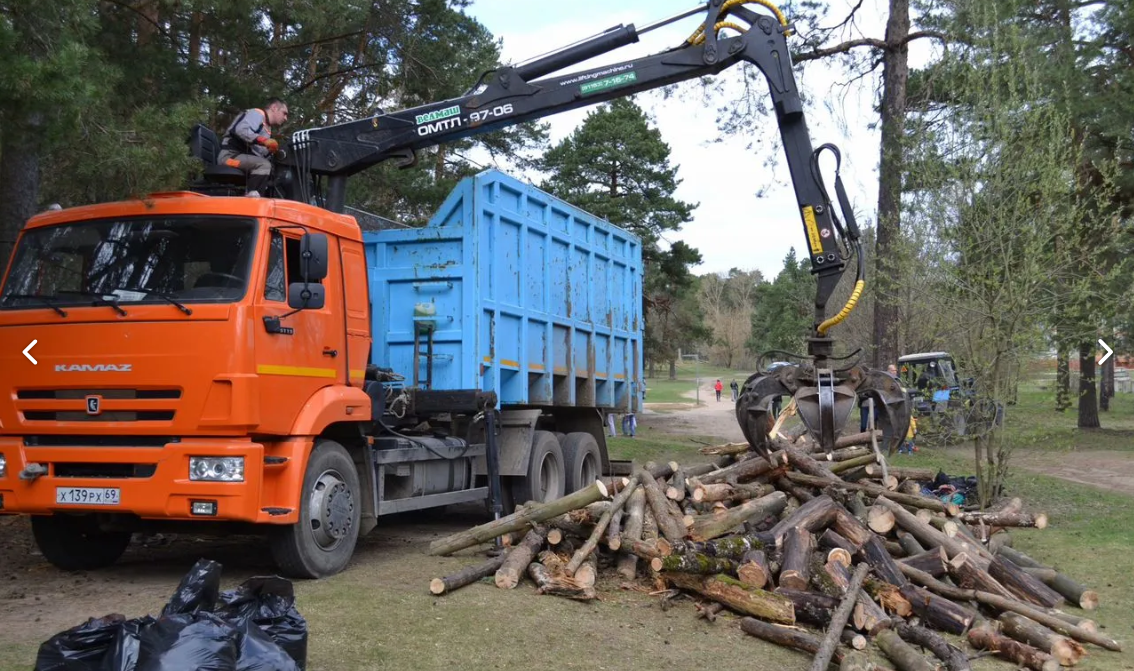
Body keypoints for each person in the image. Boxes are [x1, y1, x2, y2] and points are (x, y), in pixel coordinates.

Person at [218, 98, 289, 197]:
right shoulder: (257, 114)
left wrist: (273, 152)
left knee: (273, 171)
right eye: (284, 113)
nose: (285, 118)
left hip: (241, 158)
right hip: (229, 157)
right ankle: (251, 199)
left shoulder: (267, 128)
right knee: (263, 165)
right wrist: (264, 141)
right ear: (274, 107)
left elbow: (259, 152)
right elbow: (241, 130)